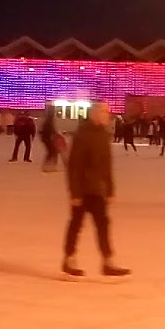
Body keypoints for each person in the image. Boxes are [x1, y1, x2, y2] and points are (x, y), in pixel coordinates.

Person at [62, 101, 130, 279]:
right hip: (83, 189)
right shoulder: (82, 135)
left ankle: (107, 262)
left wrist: (110, 189)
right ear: (95, 114)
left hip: (97, 189)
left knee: (103, 225)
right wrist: (74, 193)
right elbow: (74, 166)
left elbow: (107, 165)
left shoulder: (104, 135)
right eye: (105, 112)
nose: (108, 115)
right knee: (76, 224)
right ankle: (69, 259)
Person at [40, 106, 60, 172]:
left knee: (52, 152)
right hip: (47, 138)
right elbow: (50, 129)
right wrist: (55, 133)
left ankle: (49, 166)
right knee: (52, 152)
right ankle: (48, 166)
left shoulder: (47, 121)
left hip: (46, 138)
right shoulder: (49, 121)